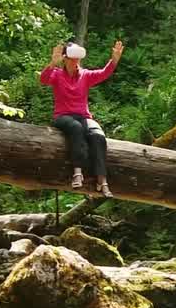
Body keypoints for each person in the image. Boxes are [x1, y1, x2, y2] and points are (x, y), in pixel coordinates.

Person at [39, 38, 124, 197]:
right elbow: (43, 79)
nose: (75, 62)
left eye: (77, 59)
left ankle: (102, 180)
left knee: (98, 136)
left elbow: (104, 73)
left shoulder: (85, 75)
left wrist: (114, 60)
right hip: (63, 117)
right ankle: (77, 172)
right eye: (72, 59)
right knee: (75, 128)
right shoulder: (57, 74)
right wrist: (52, 63)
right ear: (65, 59)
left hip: (83, 116)